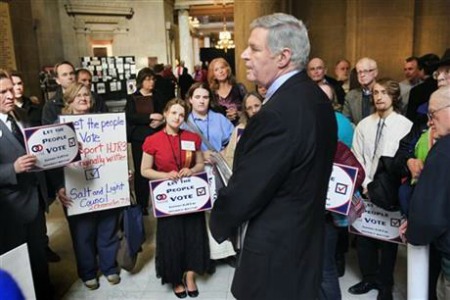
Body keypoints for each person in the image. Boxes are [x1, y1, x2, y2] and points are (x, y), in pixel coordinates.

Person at [210, 13, 337, 299]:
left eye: (254, 48)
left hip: (275, 252)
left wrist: (218, 220)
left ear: (283, 57)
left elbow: (249, 189)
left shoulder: (279, 113)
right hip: (304, 240)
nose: (243, 55)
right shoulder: (316, 98)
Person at [51, 82, 121, 290]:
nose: (84, 98)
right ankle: (89, 272)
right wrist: (58, 186)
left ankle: (109, 267)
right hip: (76, 187)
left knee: (108, 227)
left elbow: (116, 151)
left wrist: (122, 174)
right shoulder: (59, 126)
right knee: (83, 233)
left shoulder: (105, 121)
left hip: (105, 185)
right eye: (78, 95)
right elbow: (52, 162)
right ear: (69, 99)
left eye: (87, 95)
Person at [350, 78, 412, 300]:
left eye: (384, 92)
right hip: (365, 187)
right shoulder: (364, 124)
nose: (379, 96)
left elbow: (403, 159)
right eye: (375, 92)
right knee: (364, 234)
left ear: (394, 96)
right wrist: (366, 184)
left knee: (388, 239)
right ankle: (368, 278)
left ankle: (385, 283)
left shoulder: (405, 125)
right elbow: (357, 156)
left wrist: (381, 186)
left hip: (389, 189)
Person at [141, 98, 210, 298]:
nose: (177, 118)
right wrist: (165, 175)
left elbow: (200, 165)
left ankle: (189, 276)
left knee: (193, 235)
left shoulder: (192, 137)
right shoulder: (152, 140)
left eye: (181, 115)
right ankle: (174, 278)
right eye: (174, 113)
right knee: (171, 238)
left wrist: (191, 169)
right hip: (168, 198)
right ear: (165, 113)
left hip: (189, 196)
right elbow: (144, 170)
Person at [0, 69, 53, 300]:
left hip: (36, 200)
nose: (10, 95)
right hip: (9, 208)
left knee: (39, 254)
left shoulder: (22, 114)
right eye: (3, 92)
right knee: (18, 262)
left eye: (11, 89)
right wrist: (12, 169)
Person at [182, 82, 236, 268]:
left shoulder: (220, 119)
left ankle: (227, 250)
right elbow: (179, 148)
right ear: (190, 99)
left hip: (219, 168)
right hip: (196, 171)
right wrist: (199, 156)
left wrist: (223, 153)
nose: (201, 101)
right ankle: (208, 254)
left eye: (205, 97)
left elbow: (234, 138)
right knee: (201, 212)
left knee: (222, 207)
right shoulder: (184, 122)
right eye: (197, 97)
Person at [404, 86, 450, 300]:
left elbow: (431, 214)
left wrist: (414, 230)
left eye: (433, 114)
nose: (430, 121)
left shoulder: (443, 151)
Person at [10, 70, 61, 263]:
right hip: (13, 197)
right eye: (6, 89)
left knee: (37, 239)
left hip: (36, 187)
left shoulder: (26, 113)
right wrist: (12, 169)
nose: (14, 90)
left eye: (17, 84)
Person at [125, 67, 165, 213]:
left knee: (159, 167)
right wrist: (149, 117)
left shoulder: (158, 95)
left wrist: (160, 121)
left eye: (153, 79)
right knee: (141, 170)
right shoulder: (132, 97)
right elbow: (130, 116)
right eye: (148, 79)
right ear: (141, 81)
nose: (151, 82)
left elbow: (164, 112)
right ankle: (142, 204)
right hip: (139, 137)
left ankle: (160, 199)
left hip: (157, 134)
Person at [223, 92, 263, 167]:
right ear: (246, 111)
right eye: (249, 108)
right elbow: (230, 157)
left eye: (257, 106)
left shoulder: (271, 126)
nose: (254, 110)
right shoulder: (240, 130)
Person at [207, 57, 246, 124]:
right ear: (213, 75)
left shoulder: (239, 88)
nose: (221, 71)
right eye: (216, 70)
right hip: (219, 129)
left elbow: (250, 109)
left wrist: (238, 113)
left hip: (240, 128)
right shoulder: (211, 93)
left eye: (222, 67)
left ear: (227, 70)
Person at [343, 57, 379, 125]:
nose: (362, 75)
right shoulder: (351, 96)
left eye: (365, 71)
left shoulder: (384, 93)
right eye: (359, 72)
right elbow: (346, 122)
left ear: (375, 72)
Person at [41, 61, 76, 125]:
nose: (70, 77)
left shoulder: (91, 98)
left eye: (72, 73)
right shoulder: (51, 106)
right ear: (57, 80)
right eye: (65, 75)